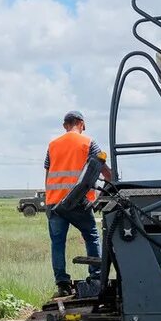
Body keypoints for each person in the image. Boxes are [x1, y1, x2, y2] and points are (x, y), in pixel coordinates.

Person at [44, 110, 112, 298]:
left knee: (57, 244)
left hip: (54, 202)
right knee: (92, 237)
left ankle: (62, 284)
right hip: (78, 202)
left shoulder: (52, 145)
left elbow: (48, 175)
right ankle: (96, 277)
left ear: (65, 125)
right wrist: (113, 183)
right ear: (81, 123)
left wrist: (49, 202)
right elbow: (105, 171)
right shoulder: (89, 143)